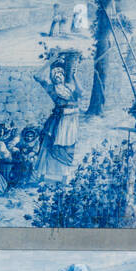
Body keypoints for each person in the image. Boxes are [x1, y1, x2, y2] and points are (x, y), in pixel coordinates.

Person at [33, 52, 82, 183]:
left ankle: (64, 176)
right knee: (51, 146)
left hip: (72, 122)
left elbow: (80, 93)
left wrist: (75, 76)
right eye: (55, 74)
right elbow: (37, 76)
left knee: (68, 148)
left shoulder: (69, 87)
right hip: (59, 121)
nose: (58, 76)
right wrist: (51, 61)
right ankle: (43, 175)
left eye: (60, 74)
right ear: (52, 77)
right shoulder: (52, 89)